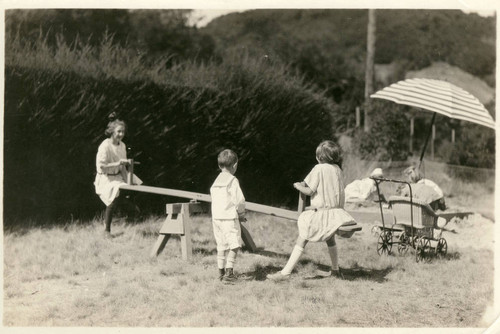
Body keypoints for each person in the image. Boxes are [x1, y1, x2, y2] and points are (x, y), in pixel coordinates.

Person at [267, 140, 356, 281]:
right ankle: (335, 270)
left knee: (303, 235)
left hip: (323, 213)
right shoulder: (338, 170)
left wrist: (297, 186)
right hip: (336, 213)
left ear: (319, 157)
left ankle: (285, 272)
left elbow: (309, 190)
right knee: (330, 238)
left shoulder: (318, 169)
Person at [94, 113, 142, 237]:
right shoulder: (105, 146)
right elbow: (102, 167)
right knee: (113, 200)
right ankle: (107, 231)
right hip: (105, 178)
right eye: (119, 131)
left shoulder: (123, 146)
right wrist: (118, 163)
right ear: (112, 131)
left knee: (136, 185)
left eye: (123, 132)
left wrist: (129, 182)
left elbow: (123, 167)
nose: (121, 134)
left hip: (118, 175)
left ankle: (132, 209)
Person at [210, 149, 246, 283]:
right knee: (234, 245)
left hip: (216, 218)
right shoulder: (232, 180)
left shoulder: (216, 181)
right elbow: (240, 200)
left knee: (221, 245)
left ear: (219, 166)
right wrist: (241, 214)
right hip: (229, 218)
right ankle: (229, 273)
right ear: (235, 165)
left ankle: (220, 272)